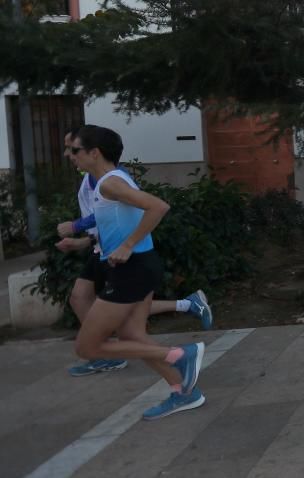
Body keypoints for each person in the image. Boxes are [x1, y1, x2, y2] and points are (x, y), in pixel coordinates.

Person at [69, 125, 206, 420]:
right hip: (139, 266)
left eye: (75, 150)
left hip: (132, 269)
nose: (71, 156)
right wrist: (83, 241)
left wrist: (128, 245)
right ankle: (183, 391)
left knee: (88, 346)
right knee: (133, 334)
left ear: (95, 153)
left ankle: (181, 354)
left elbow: (158, 206)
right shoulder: (109, 181)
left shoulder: (109, 183)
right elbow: (116, 225)